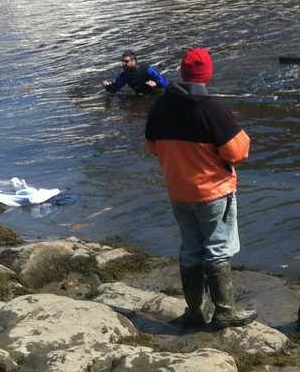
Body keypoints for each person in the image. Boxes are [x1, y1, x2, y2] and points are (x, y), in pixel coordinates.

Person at [144, 48, 256, 330]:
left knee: (191, 249)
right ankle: (224, 311)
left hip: (178, 191)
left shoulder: (160, 106)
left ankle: (194, 312)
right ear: (208, 73)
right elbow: (237, 152)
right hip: (212, 192)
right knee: (218, 248)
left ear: (183, 72)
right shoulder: (212, 109)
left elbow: (152, 147)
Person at [103, 50, 168, 95]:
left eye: (126, 61)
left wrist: (156, 84)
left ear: (133, 61)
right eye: (122, 61)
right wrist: (107, 86)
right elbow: (115, 88)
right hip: (140, 97)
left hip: (155, 94)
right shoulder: (125, 75)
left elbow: (165, 83)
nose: (123, 64)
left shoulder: (146, 69)